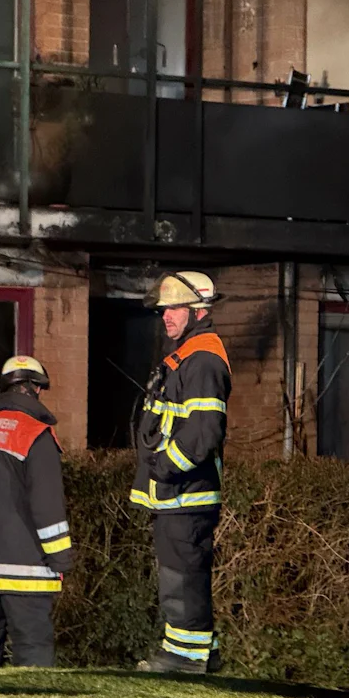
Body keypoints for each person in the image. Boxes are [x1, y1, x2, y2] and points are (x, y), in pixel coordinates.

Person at [131, 272, 231, 674]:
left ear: (198, 311)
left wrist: (165, 469)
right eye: (164, 310)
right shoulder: (189, 355)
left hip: (185, 491)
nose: (166, 317)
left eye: (174, 309)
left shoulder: (203, 359)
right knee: (181, 571)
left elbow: (204, 432)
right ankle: (203, 650)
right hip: (178, 491)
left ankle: (185, 657)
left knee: (181, 574)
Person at [0, 356, 73, 667]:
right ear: (36, 388)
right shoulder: (36, 435)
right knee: (33, 650)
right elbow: (47, 505)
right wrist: (61, 558)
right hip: (27, 570)